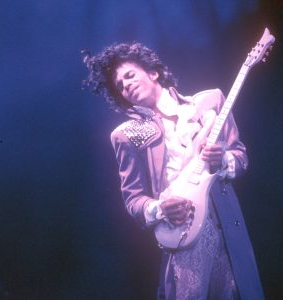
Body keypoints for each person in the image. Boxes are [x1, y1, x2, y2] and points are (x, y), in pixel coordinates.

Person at [83, 42, 264, 299]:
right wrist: (161, 207)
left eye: (130, 76)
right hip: (184, 231)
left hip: (227, 226)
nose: (126, 86)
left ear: (153, 72)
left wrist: (222, 159)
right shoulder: (125, 135)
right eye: (120, 86)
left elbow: (241, 158)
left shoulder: (209, 103)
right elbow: (134, 200)